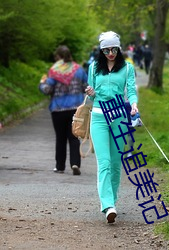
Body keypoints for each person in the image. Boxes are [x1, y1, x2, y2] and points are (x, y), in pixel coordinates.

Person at [85, 31, 138, 223]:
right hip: (99, 117)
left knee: (116, 164)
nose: (110, 53)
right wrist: (90, 92)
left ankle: (113, 201)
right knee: (104, 162)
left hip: (119, 118)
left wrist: (133, 104)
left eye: (114, 49)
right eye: (106, 50)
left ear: (119, 48)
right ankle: (107, 205)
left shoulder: (127, 68)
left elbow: (131, 90)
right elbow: (91, 97)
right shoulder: (93, 68)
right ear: (101, 50)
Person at [39, 45, 88, 175]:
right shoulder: (79, 70)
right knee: (74, 137)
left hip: (58, 109)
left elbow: (47, 90)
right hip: (75, 109)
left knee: (60, 138)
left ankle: (60, 166)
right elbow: (86, 87)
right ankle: (75, 163)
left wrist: (42, 83)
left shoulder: (54, 71)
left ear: (58, 57)